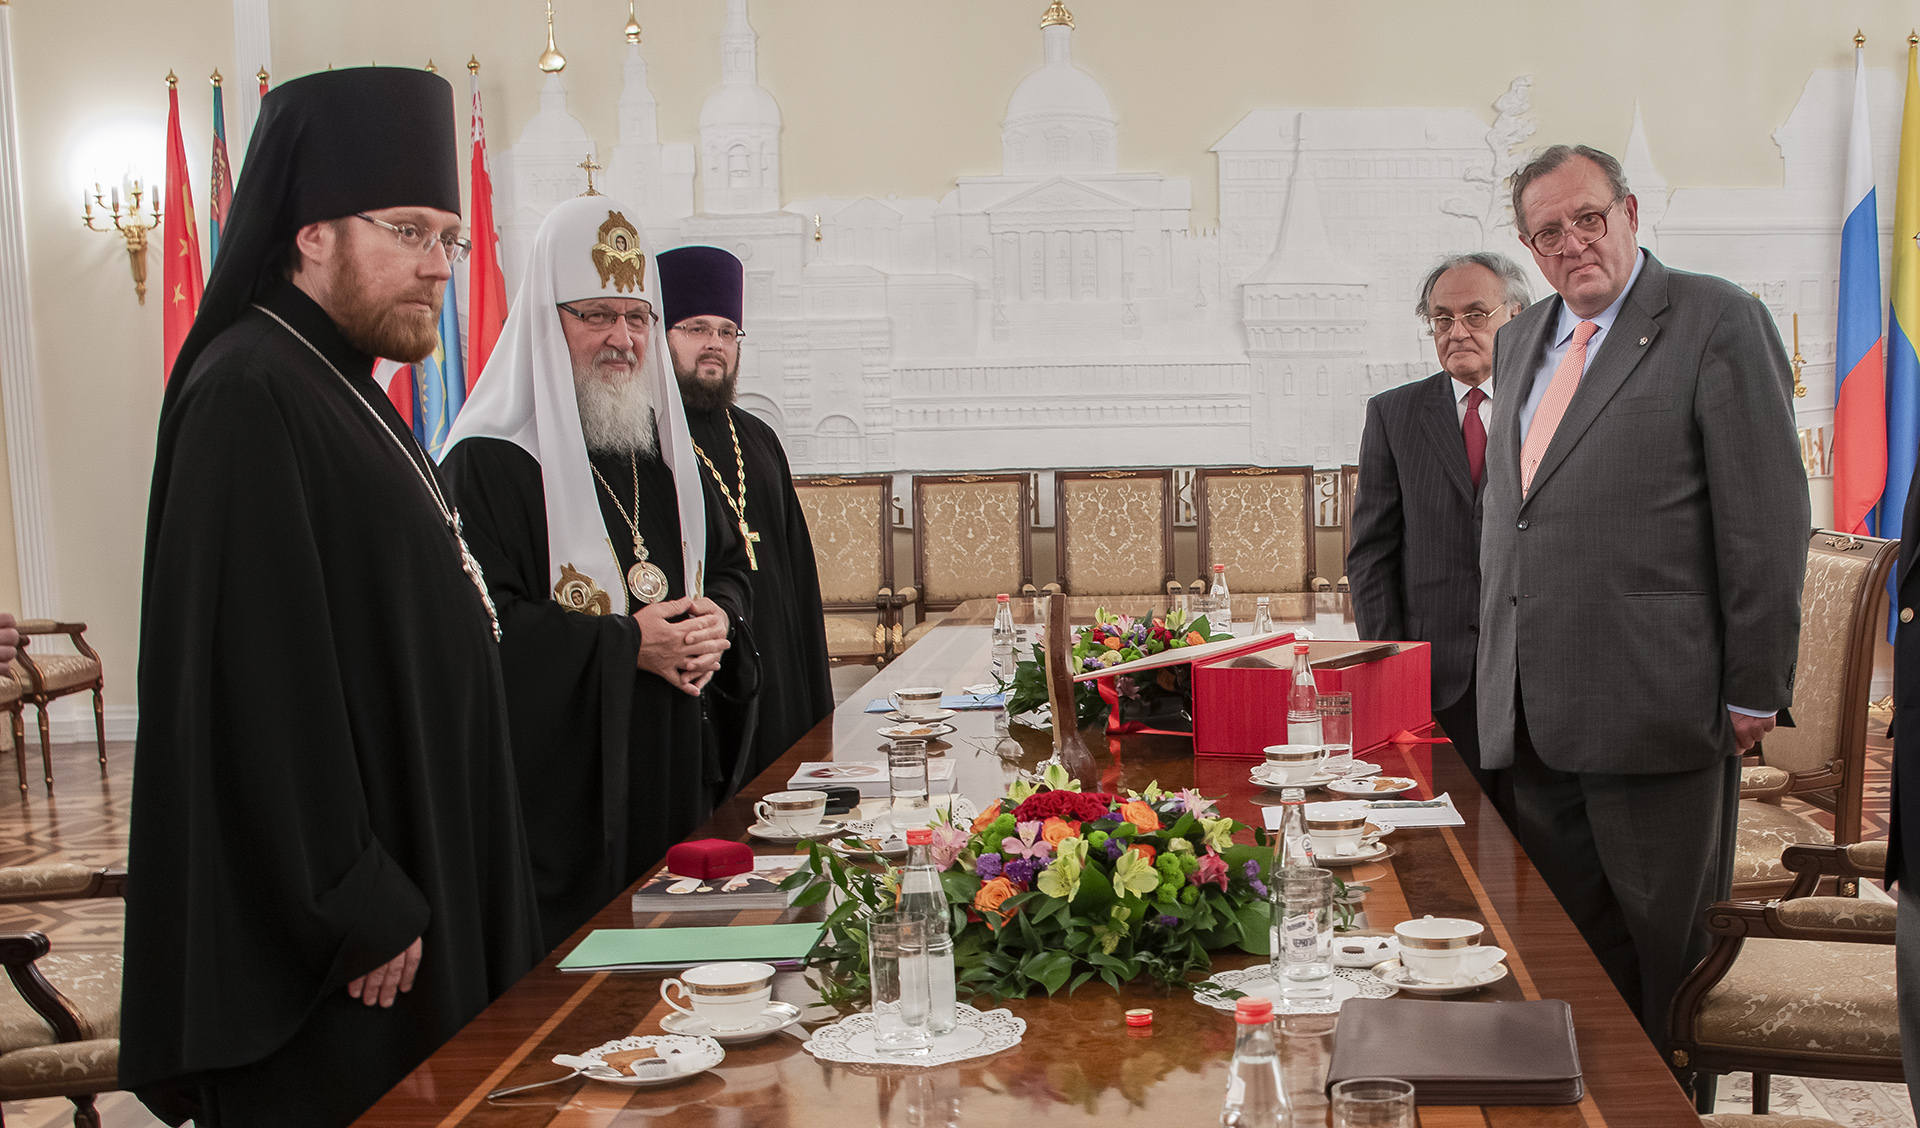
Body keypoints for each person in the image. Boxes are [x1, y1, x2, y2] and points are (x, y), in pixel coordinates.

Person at [122, 68, 542, 1127]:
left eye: (448, 238)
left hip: (413, 857)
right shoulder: (250, 389)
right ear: (310, 232)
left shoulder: (341, 381)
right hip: (352, 945)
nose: (439, 266)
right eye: (407, 231)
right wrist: (348, 899)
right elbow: (249, 675)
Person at [1476, 144, 1808, 1050]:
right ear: (1529, 248)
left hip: (1657, 707)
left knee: (1666, 953)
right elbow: (1520, 518)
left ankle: (1666, 1104)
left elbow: (1766, 520)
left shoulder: (1716, 319)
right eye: (1550, 231)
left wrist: (1754, 685)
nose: (1574, 242)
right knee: (1565, 955)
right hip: (1533, 713)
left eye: (1589, 217)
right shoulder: (1519, 339)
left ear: (1629, 213)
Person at [440, 196, 756, 953]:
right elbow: (480, 632)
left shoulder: (662, 449)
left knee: (681, 962)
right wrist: (624, 644)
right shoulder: (488, 460)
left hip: (674, 758)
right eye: (595, 316)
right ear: (547, 323)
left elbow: (733, 567)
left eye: (638, 316)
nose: (622, 339)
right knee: (583, 984)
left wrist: (720, 613)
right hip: (565, 794)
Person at [1347, 252, 1530, 818]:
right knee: (1447, 848)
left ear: (1517, 317)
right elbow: (1371, 556)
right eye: (1442, 319)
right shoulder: (1393, 414)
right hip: (1436, 678)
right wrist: (1391, 669)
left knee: (1541, 852)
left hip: (1534, 677)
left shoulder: (1554, 407)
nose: (1457, 332)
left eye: (1476, 314)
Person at [658, 245, 832, 787]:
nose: (714, 343)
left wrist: (815, 695)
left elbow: (799, 576)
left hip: (780, 655)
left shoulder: (759, 439)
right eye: (695, 328)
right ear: (660, 334)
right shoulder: (648, 441)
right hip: (712, 671)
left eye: (727, 331)